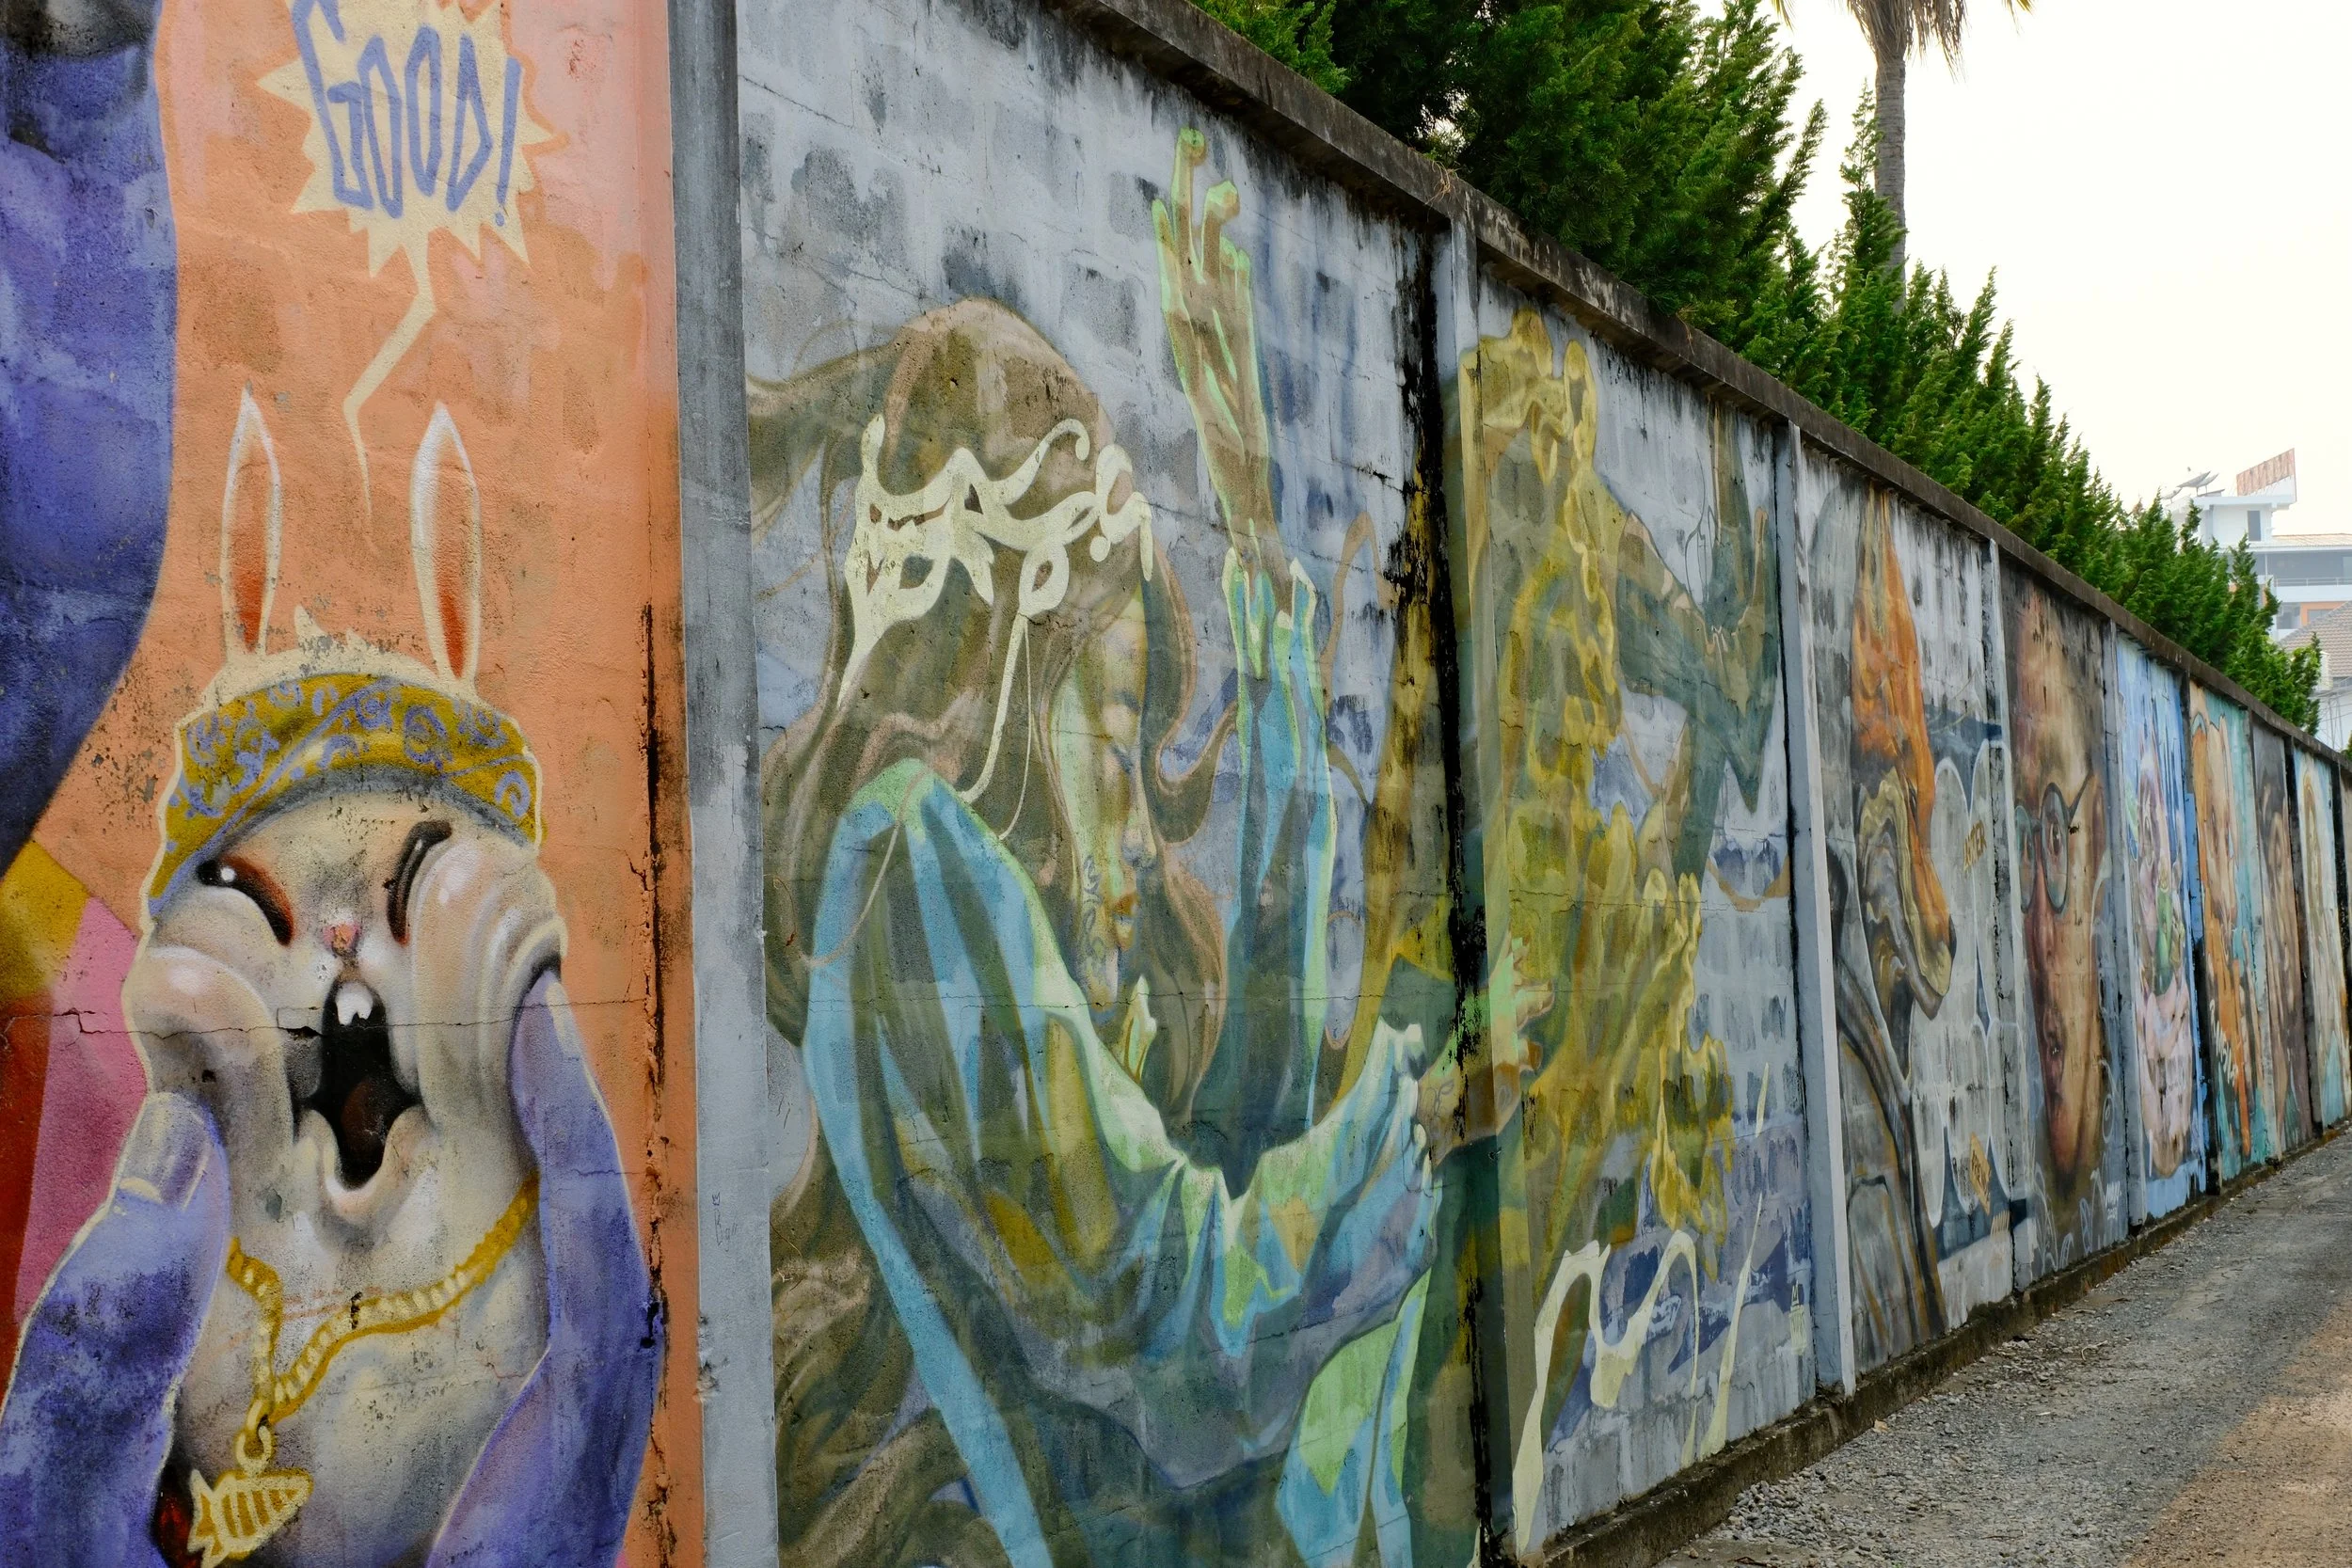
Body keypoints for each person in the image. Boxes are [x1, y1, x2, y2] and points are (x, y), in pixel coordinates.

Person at [756, 135, 1531, 1568]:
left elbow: (1221, 1151)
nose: (1132, 814)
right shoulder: (917, 866)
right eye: (1109, 735)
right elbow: (1170, 1310)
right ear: (996, 673)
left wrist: (1255, 539)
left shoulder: (955, 891)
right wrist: (1398, 1137)